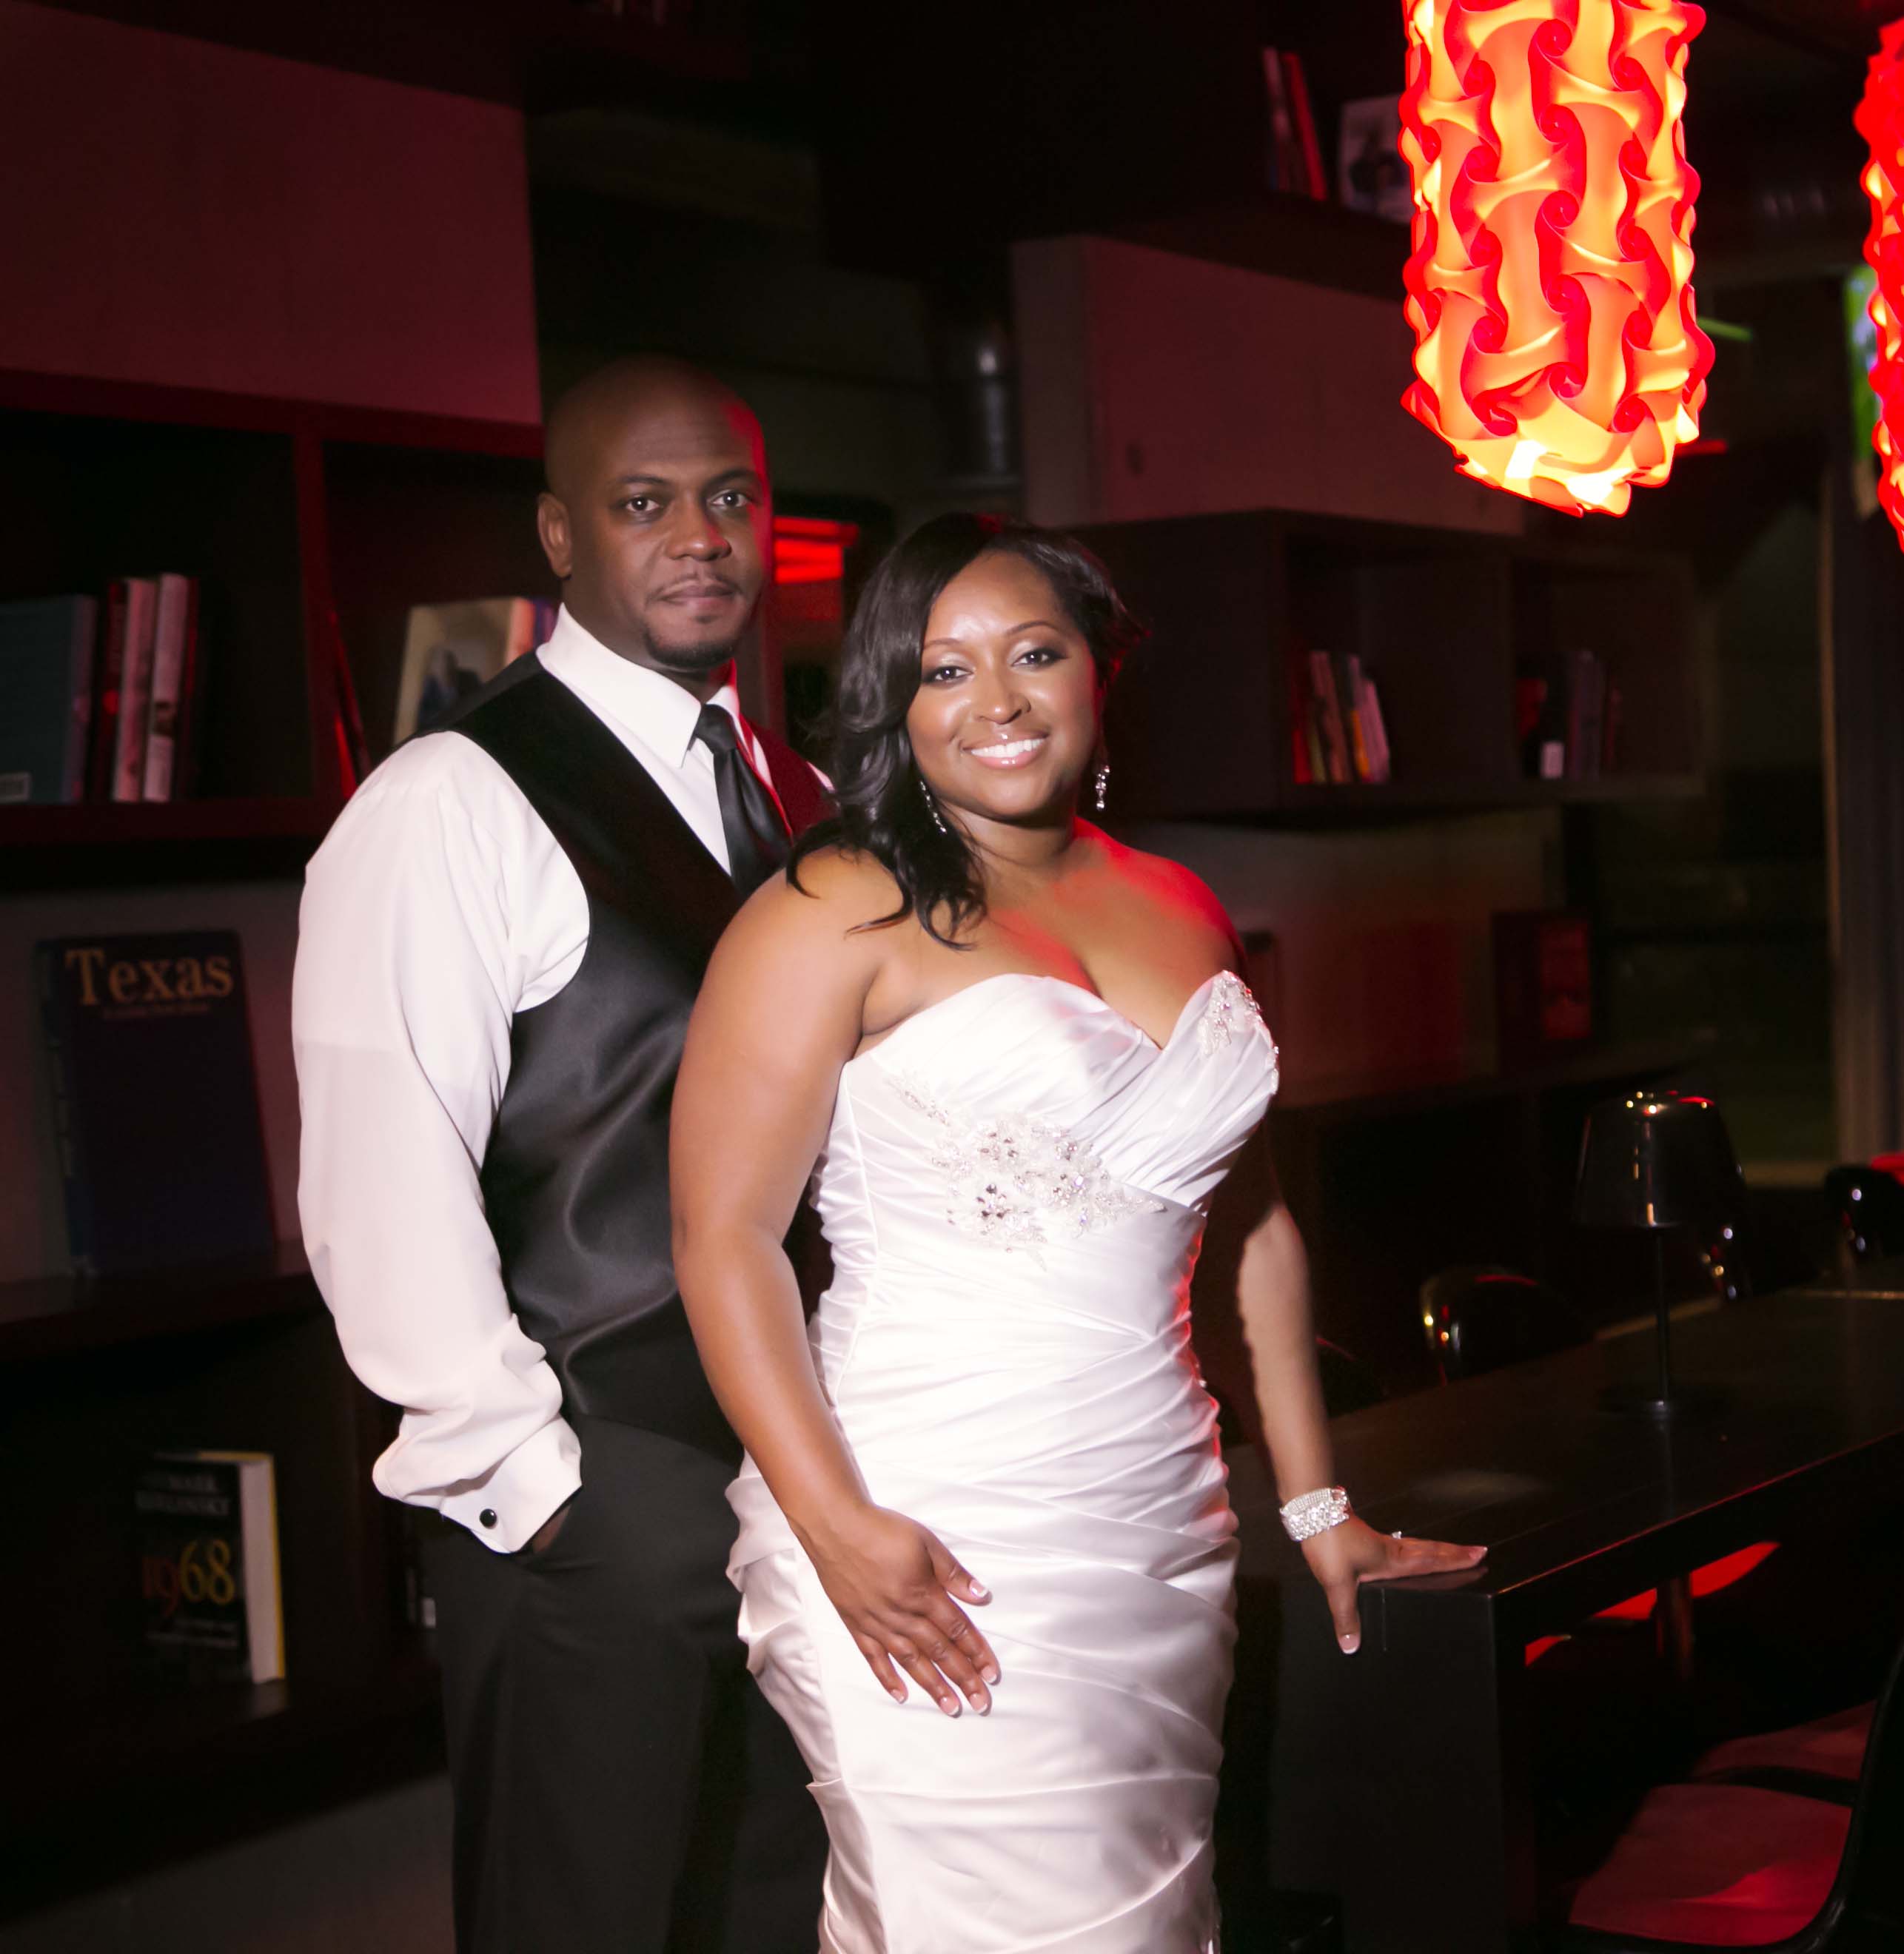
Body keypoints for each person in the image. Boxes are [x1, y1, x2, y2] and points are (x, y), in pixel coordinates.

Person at [671, 514, 1484, 1952]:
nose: (996, 701)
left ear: (1099, 671)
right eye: (945, 670)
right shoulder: (828, 909)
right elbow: (722, 1238)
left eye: (1034, 654)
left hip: (1156, 1529)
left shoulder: (1181, 904)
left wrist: (1316, 1508)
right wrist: (838, 1527)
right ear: (893, 701)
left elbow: (1253, 1227)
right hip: (922, 1519)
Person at [294, 355, 829, 1953]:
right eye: (644, 503)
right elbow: (383, 1177)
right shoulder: (447, 800)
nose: (700, 538)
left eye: (730, 499)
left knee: (773, 1921)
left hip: (804, 1498)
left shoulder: (794, 794)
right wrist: (545, 1494)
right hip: (601, 1495)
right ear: (558, 535)